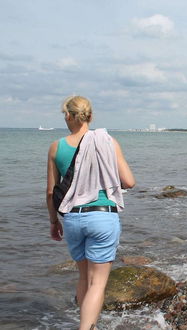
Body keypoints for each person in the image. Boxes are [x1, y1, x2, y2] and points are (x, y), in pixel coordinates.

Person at [46, 96, 135, 330]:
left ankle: (88, 324)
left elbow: (49, 192)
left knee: (84, 278)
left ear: (68, 116)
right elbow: (129, 181)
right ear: (90, 116)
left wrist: (54, 222)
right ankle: (86, 328)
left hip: (73, 218)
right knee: (98, 283)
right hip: (103, 216)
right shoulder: (107, 141)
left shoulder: (56, 147)